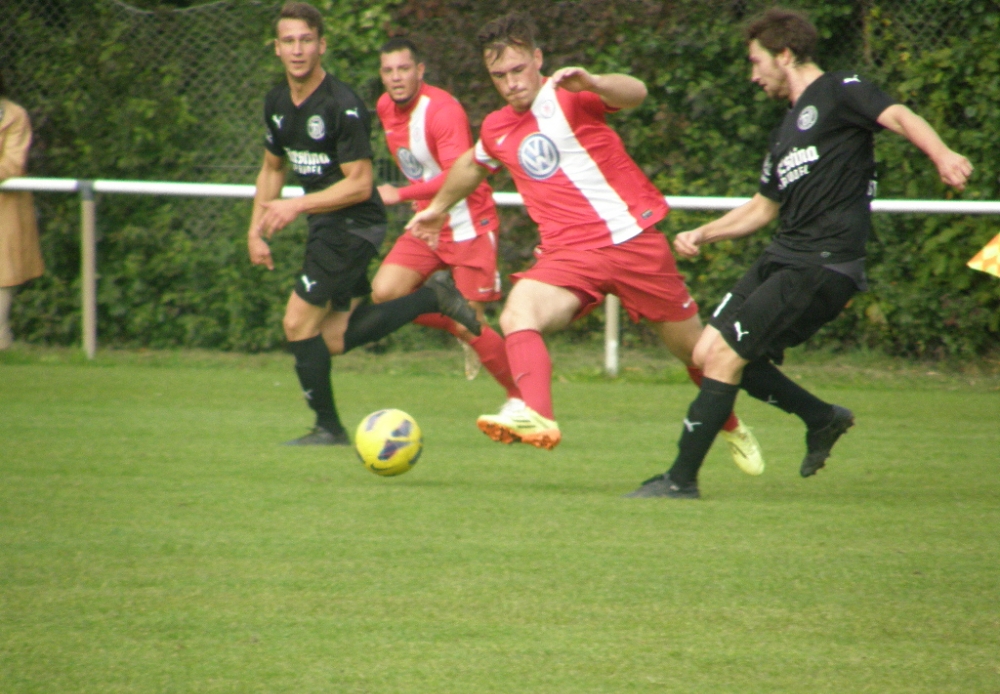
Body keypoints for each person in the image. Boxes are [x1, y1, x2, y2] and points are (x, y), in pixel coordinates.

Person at [626, 8, 973, 498]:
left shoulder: (839, 90)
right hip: (785, 254)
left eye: (756, 61)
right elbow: (763, 208)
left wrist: (942, 154)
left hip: (822, 261)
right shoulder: (786, 132)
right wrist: (704, 233)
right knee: (706, 353)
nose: (753, 75)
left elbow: (897, 114)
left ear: (784, 54)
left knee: (725, 357)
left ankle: (680, 481)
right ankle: (820, 417)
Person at [407, 11, 763, 477]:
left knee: (697, 355)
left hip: (634, 243)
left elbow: (636, 94)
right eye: (499, 75)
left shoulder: (568, 96)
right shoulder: (496, 127)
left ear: (538, 59)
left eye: (518, 70)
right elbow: (474, 165)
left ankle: (733, 427)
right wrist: (438, 205)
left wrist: (593, 79)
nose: (511, 83)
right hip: (569, 256)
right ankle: (537, 413)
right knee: (519, 312)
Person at [248, 2, 481, 446]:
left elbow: (359, 185)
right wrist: (254, 229)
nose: (298, 50)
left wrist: (295, 207)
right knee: (331, 338)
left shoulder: (342, 105)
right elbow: (272, 168)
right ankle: (431, 297)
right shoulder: (277, 102)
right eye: (289, 41)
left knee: (298, 324)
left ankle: (328, 429)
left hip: (353, 223)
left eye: (306, 40)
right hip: (327, 225)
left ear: (322, 45)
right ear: (277, 48)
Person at [373, 38, 521, 409]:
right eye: (388, 71)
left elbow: (460, 171)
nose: (396, 78)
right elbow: (420, 166)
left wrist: (401, 194)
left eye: (404, 69)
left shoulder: (442, 111)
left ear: (420, 71)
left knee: (468, 324)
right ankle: (461, 325)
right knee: (385, 294)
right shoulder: (384, 108)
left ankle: (522, 399)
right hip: (428, 224)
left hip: (469, 223)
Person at [0, 69, 44, 350]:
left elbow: (14, 163)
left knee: (2, 274)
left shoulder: (15, 115)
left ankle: (1, 340)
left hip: (5, 207)